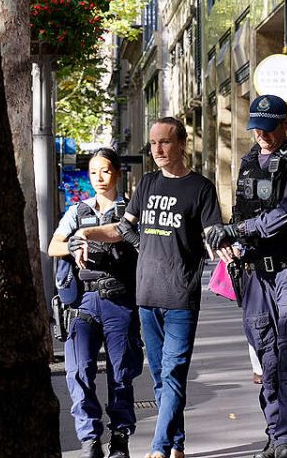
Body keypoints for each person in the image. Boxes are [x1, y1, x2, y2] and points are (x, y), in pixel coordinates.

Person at [71, 118, 224, 458]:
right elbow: (124, 227)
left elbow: (214, 230)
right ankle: (178, 443)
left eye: (165, 142)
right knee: (158, 376)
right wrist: (87, 234)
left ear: (182, 143)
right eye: (154, 143)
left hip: (181, 296)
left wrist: (224, 245)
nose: (157, 149)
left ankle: (159, 447)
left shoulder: (200, 188)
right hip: (146, 295)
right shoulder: (148, 184)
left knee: (173, 372)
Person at [207, 94, 287, 458]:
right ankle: (275, 434)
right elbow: (242, 213)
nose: (262, 134)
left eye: (269, 127)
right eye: (256, 127)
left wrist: (239, 230)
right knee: (267, 356)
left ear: (285, 123)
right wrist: (227, 238)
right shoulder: (248, 162)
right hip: (256, 272)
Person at [48, 148, 144, 458]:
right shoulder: (77, 211)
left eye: (104, 171)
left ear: (117, 173)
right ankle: (89, 439)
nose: (99, 178)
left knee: (121, 373)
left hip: (120, 300)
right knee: (77, 372)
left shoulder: (130, 210)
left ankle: (119, 438)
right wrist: (75, 241)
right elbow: (53, 246)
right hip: (84, 302)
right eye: (93, 172)